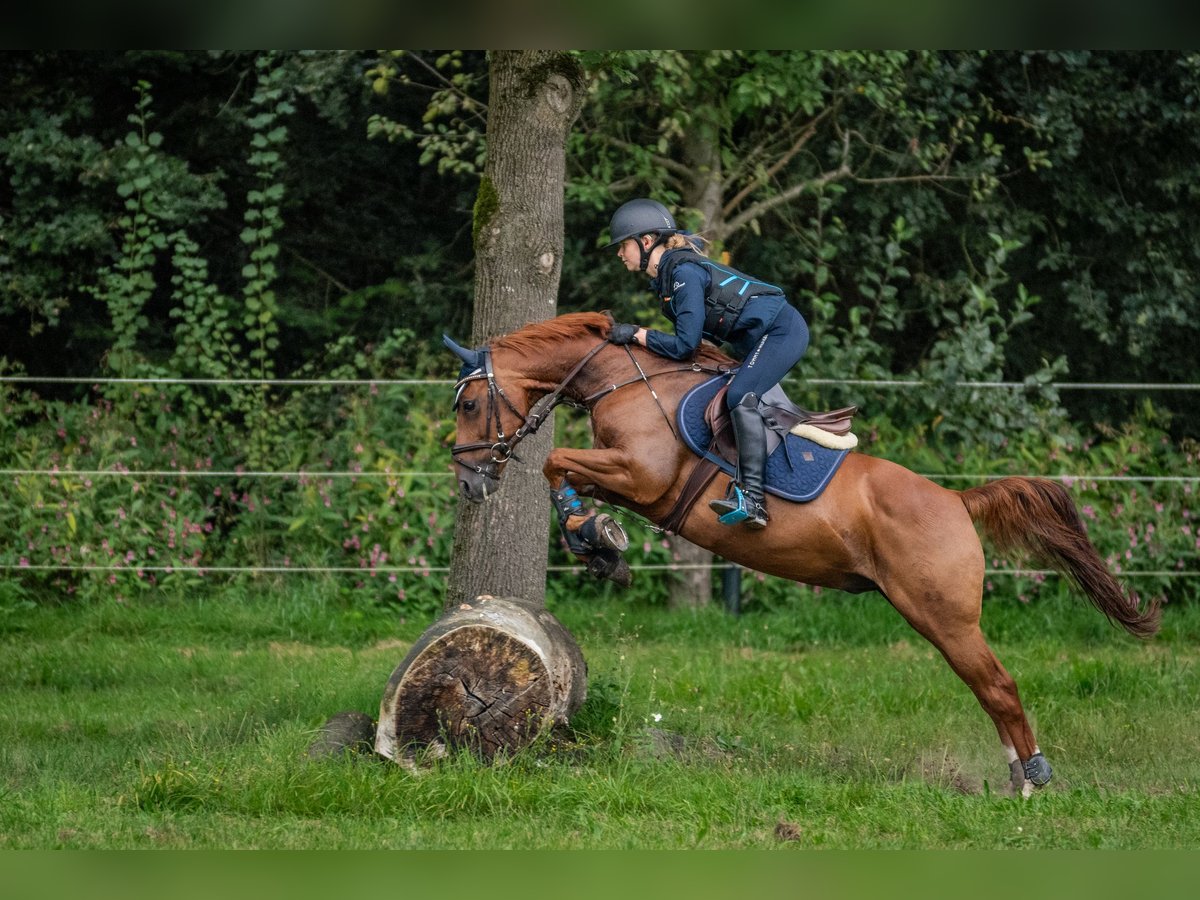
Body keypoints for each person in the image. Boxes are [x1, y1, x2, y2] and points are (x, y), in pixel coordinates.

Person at [602, 198, 810, 529]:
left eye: (623, 245)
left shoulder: (683, 274)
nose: (619, 254)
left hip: (782, 331)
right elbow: (699, 344)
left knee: (738, 396)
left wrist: (637, 334)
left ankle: (753, 499)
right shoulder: (672, 278)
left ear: (645, 242)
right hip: (761, 339)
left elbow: (685, 346)